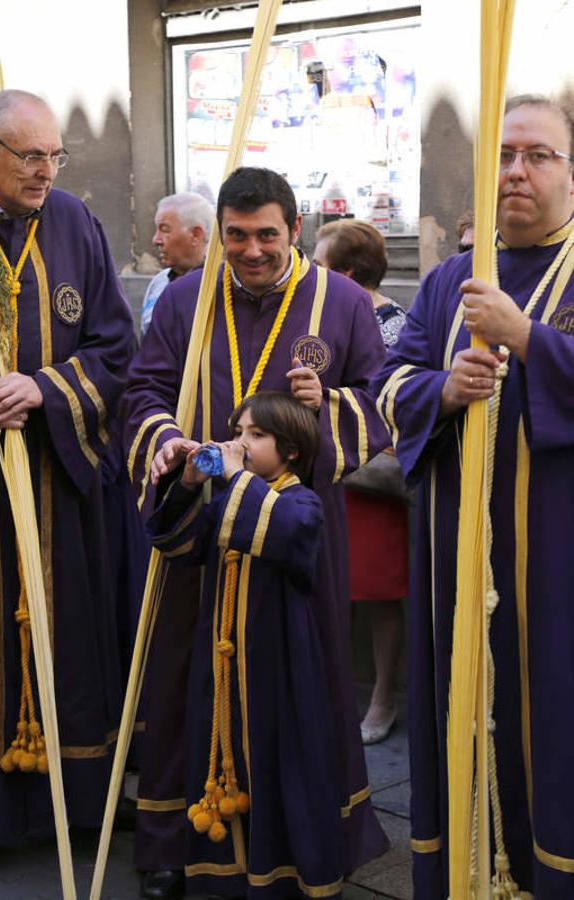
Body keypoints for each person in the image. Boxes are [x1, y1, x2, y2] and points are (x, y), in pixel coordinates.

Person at [123, 166, 390, 899]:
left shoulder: (340, 301)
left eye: (266, 234)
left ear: (294, 229)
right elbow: (143, 390)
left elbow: (378, 403)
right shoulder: (185, 297)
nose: (250, 251)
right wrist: (170, 441)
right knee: (185, 682)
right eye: (235, 235)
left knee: (300, 682)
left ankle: (304, 842)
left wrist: (325, 406)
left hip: (299, 540)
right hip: (203, 539)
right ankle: (175, 845)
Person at [372, 94, 574, 897]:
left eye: (538, 155)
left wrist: (530, 340)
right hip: (456, 559)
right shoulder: (453, 277)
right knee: (462, 715)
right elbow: (389, 385)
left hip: (558, 562)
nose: (516, 172)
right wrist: (444, 392)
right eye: (504, 155)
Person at [0, 89, 134, 842]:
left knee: (69, 636)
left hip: (57, 480)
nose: (45, 171)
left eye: (54, 155)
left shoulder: (74, 221)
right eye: (29, 155)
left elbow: (113, 346)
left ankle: (73, 803)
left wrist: (42, 387)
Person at [146, 391, 344, 899]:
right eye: (238, 433)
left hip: (279, 667)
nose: (241, 443)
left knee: (282, 764)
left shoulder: (303, 502)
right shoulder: (234, 497)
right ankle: (225, 874)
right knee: (222, 751)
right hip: (223, 665)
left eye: (256, 435)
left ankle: (284, 875)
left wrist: (233, 475)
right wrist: (189, 484)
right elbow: (177, 545)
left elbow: (285, 529)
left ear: (292, 450)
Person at [314, 219, 408, 744]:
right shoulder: (321, 312)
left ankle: (382, 698)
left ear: (348, 274)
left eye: (320, 263)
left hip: (373, 475)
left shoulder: (393, 323)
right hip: (328, 467)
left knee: (377, 588)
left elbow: (398, 401)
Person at [140, 192, 213, 338]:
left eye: (165, 230)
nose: (156, 240)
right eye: (157, 229)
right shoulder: (158, 283)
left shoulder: (217, 286)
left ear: (195, 235)